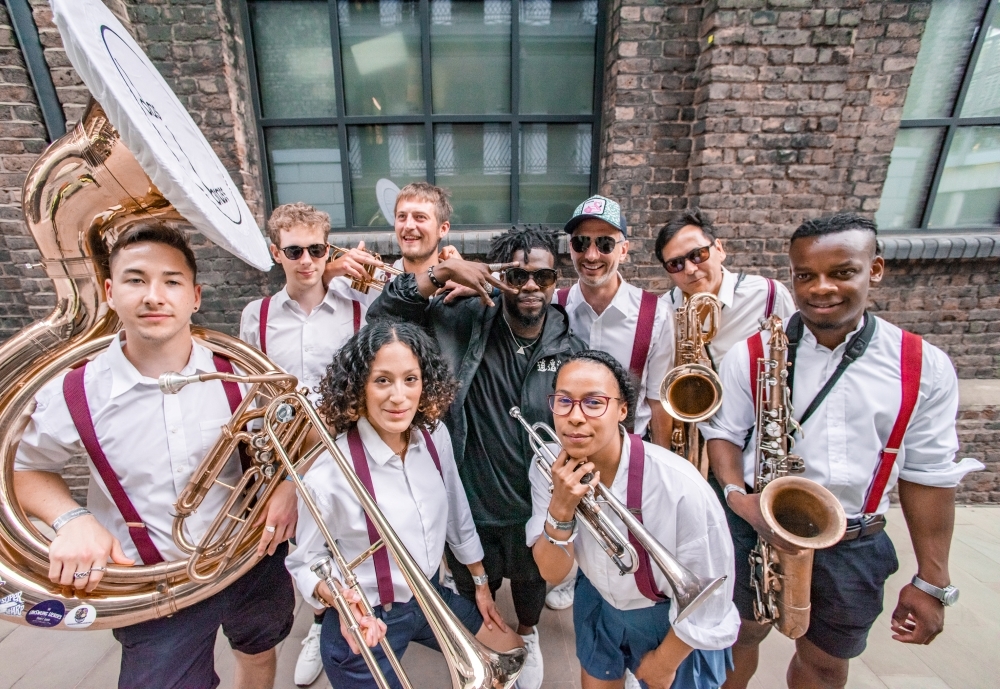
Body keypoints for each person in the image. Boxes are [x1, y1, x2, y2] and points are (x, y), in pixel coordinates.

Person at [701, 214, 983, 689]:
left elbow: (929, 474)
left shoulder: (923, 366)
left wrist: (932, 580)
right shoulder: (752, 355)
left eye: (842, 272)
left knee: (827, 664)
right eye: (805, 275)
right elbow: (724, 433)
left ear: (875, 269)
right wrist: (736, 496)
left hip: (853, 539)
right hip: (755, 529)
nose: (821, 288)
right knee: (735, 641)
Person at [13, 225, 297, 689]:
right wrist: (71, 519)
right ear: (109, 291)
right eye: (135, 279)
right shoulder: (75, 391)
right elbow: (23, 468)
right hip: (155, 586)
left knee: (259, 653)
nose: (154, 296)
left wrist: (286, 485)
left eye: (171, 281)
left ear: (195, 296)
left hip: (251, 562)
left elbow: (287, 442)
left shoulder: (241, 375)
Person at [368, 226, 588, 689]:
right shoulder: (459, 317)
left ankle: (527, 638)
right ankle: (479, 649)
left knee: (530, 587)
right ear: (498, 276)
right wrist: (438, 272)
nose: (531, 286)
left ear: (556, 280)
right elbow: (382, 316)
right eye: (518, 275)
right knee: (472, 587)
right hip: (470, 496)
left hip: (533, 503)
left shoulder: (570, 345)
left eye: (543, 277)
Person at [284, 321, 523, 688]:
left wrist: (479, 583)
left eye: (410, 379)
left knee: (509, 651)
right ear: (358, 386)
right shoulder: (328, 474)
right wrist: (339, 599)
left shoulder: (433, 436)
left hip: (430, 597)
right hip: (370, 616)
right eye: (382, 380)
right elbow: (305, 563)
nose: (399, 396)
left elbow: (457, 512)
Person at [528, 350, 739, 689]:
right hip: (598, 598)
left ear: (623, 410)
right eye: (563, 401)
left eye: (594, 402)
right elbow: (552, 571)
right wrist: (561, 507)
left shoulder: (679, 485)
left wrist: (665, 661)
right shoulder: (549, 468)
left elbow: (711, 593)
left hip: (670, 618)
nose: (575, 417)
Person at [239, 202, 366, 686]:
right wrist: (284, 474)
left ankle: (343, 620)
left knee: (343, 541)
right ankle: (318, 624)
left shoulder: (358, 309)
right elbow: (255, 395)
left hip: (342, 450)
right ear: (277, 253)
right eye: (295, 251)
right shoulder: (258, 314)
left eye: (317, 249)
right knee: (304, 547)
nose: (308, 260)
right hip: (286, 454)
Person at [548, 195, 676, 614]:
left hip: (626, 449)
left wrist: (660, 465)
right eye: (581, 242)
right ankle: (570, 576)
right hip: (568, 442)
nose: (591, 254)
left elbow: (657, 401)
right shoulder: (556, 305)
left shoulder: (655, 314)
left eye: (605, 243)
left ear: (625, 248)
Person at [653, 208, 794, 367]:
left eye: (698, 254)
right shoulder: (660, 312)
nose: (690, 269)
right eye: (675, 264)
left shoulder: (771, 295)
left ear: (719, 249)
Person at [328, 182, 469, 304]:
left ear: (442, 229)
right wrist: (330, 270)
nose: (408, 226)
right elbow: (308, 296)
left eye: (420, 217)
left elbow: (490, 289)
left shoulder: (460, 281)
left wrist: (474, 284)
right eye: (401, 217)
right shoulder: (369, 279)